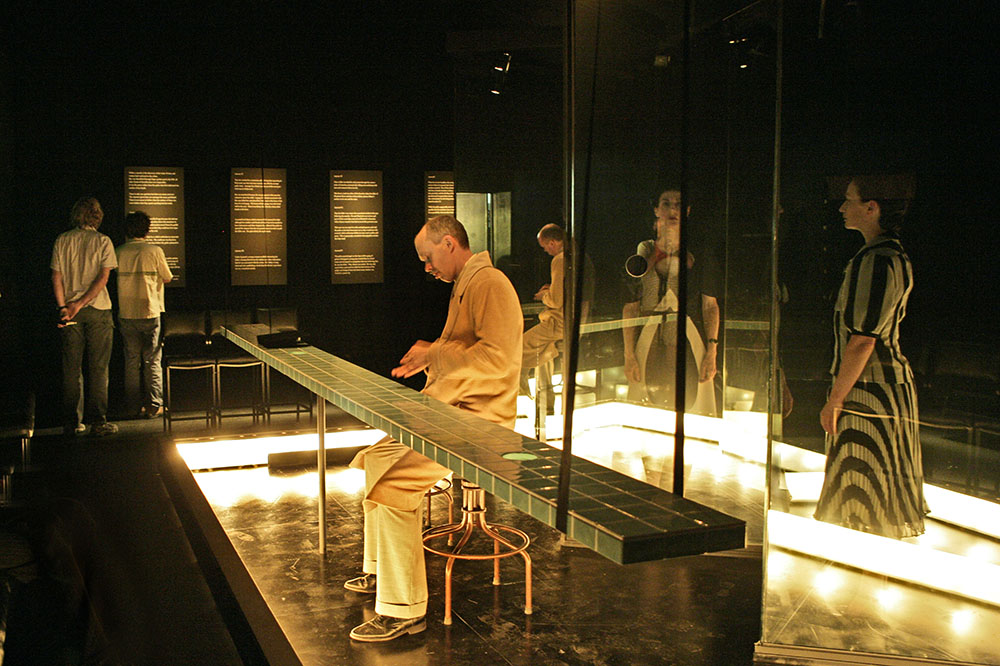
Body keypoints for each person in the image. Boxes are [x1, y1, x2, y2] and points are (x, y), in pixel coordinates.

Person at [345, 215, 523, 642]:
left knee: (392, 491)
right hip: (452, 416)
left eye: (428, 258)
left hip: (478, 428)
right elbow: (465, 353)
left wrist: (435, 354)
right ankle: (381, 571)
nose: (427, 268)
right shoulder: (469, 283)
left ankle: (404, 609)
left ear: (448, 243)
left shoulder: (489, 283)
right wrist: (433, 357)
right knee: (375, 460)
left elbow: (498, 359)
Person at [815, 175, 926, 539]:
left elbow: (863, 339)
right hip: (878, 387)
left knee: (866, 489)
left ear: (872, 208)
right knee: (873, 488)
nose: (843, 207)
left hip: (870, 390)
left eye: (849, 200)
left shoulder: (879, 261)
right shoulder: (885, 256)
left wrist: (835, 399)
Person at [622, 188, 720, 415]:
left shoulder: (699, 253)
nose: (673, 209)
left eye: (678, 204)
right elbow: (631, 306)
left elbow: (710, 305)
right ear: (656, 209)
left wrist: (712, 351)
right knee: (644, 396)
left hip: (686, 340)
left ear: (687, 211)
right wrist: (628, 354)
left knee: (683, 394)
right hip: (646, 339)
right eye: (666, 203)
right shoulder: (643, 251)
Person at [51, 197, 119, 437]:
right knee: (99, 368)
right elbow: (103, 279)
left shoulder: (63, 239)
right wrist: (81, 303)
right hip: (98, 309)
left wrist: (64, 307)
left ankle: (72, 422)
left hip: (69, 311)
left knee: (71, 369)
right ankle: (99, 421)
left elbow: (56, 277)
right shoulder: (103, 241)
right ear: (97, 216)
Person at [116, 210, 173, 419]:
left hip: (126, 312)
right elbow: (167, 278)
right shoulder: (154, 250)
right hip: (151, 310)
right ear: (147, 230)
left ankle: (131, 407)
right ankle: (154, 406)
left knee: (131, 362)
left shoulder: (119, 251)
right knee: (152, 361)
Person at [519, 223, 566, 395]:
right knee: (543, 353)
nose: (545, 251)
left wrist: (544, 295)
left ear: (552, 243)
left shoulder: (559, 260)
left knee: (517, 351)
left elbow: (556, 300)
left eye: (545, 247)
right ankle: (547, 404)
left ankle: (520, 396)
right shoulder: (574, 255)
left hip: (557, 323)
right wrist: (552, 289)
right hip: (567, 323)